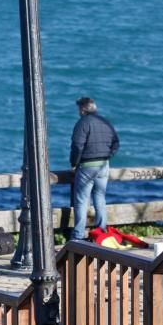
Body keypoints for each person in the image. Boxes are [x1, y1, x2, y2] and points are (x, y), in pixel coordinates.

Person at [69, 96, 119, 241]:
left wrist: (74, 163)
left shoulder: (82, 123)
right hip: (103, 166)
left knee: (82, 201)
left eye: (79, 109)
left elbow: (77, 146)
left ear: (83, 110)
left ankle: (78, 235)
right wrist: (107, 156)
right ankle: (101, 232)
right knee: (100, 198)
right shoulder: (106, 122)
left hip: (86, 166)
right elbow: (116, 143)